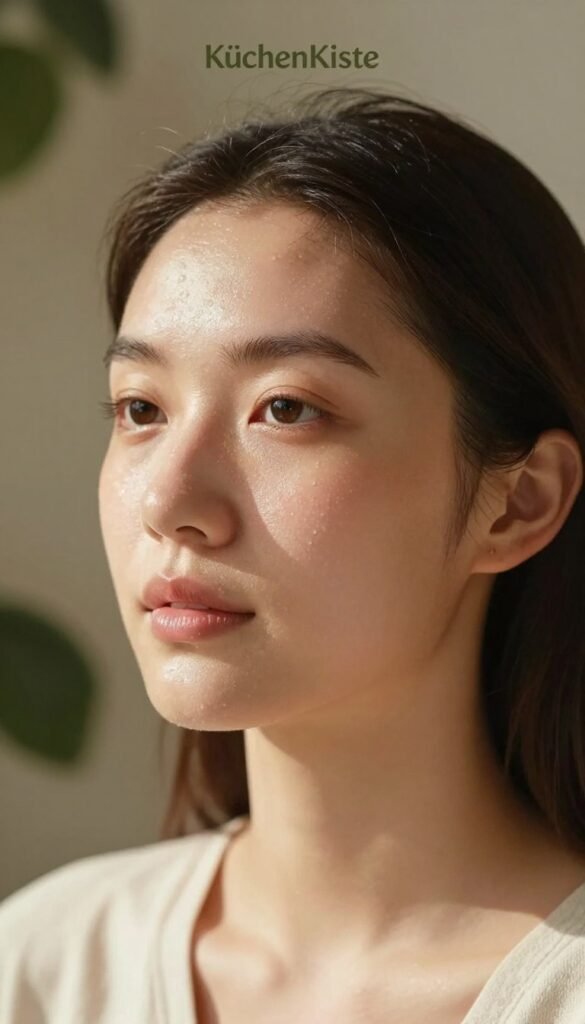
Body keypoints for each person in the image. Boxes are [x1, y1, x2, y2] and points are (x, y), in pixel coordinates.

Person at [2, 86, 585, 1023]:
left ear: (517, 501)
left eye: (286, 408)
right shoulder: (43, 967)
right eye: (140, 409)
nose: (168, 502)